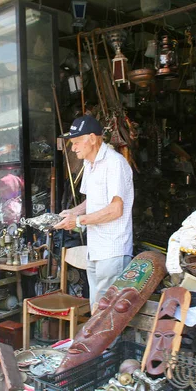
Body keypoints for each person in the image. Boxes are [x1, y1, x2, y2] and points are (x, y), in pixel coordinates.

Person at [53, 115, 134, 309]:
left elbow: (116, 209)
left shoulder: (115, 163)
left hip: (112, 250)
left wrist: (79, 221)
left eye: (77, 142)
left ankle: (105, 341)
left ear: (91, 138)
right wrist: (71, 212)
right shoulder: (89, 164)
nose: (73, 148)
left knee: (107, 313)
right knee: (97, 307)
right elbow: (92, 201)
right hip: (95, 248)